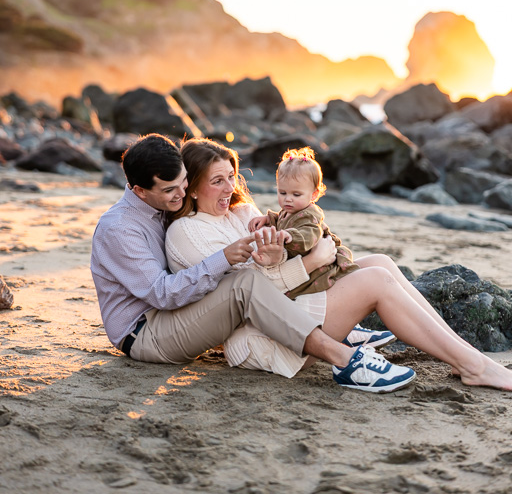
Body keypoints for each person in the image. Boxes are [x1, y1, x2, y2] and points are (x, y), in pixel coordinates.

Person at [165, 136, 512, 391]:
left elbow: (286, 243)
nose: (230, 187)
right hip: (261, 335)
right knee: (375, 280)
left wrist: (299, 254)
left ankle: (464, 354)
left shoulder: (239, 212)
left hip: (290, 308)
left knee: (380, 262)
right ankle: (474, 366)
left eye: (231, 176)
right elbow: (246, 299)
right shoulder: (186, 232)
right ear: (192, 188)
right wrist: (314, 259)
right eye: (217, 181)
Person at [91, 133, 417, 393]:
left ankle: (444, 346)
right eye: (170, 190)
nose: (181, 193)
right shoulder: (119, 228)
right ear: (139, 190)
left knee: (377, 263)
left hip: (178, 314)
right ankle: (343, 359)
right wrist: (224, 257)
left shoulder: (167, 201)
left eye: (183, 183)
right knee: (244, 284)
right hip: (146, 333)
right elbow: (162, 294)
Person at [247, 146, 359, 299]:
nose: (288, 198)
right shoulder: (290, 210)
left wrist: (290, 236)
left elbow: (309, 235)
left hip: (321, 267)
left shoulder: (309, 215)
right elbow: (281, 220)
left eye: (296, 194)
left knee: (300, 290)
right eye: (282, 192)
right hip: (303, 261)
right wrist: (268, 219)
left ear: (314, 194)